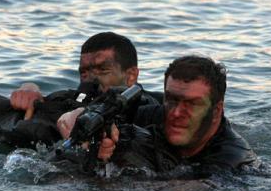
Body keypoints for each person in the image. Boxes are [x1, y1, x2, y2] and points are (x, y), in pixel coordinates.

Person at [0, 32, 161, 148]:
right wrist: (28, 89)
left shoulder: (147, 108)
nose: (92, 78)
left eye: (102, 70)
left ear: (131, 75)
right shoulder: (67, 97)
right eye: (85, 72)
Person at [85, 55, 257, 175]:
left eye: (191, 104)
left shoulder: (233, 158)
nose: (175, 113)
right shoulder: (160, 114)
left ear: (216, 110)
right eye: (172, 99)